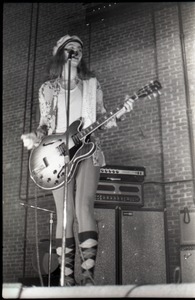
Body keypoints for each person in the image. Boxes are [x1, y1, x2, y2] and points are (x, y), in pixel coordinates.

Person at [21, 34, 134, 286]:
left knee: (85, 207)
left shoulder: (92, 85)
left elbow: (103, 119)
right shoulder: (47, 89)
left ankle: (88, 276)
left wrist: (122, 113)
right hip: (56, 153)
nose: (76, 51)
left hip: (87, 149)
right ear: (60, 53)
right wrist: (35, 136)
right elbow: (44, 125)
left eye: (79, 48)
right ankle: (67, 277)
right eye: (70, 48)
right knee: (66, 214)